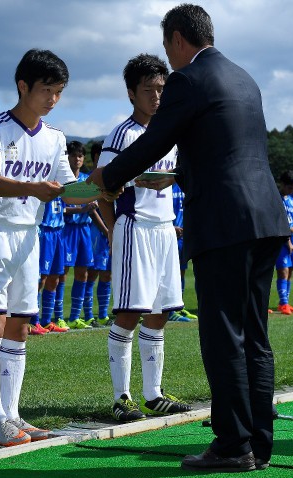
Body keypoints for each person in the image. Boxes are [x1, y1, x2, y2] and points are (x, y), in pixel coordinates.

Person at [88, 5, 290, 472]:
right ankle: (259, 442)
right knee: (255, 336)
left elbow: (154, 140)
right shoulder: (244, 78)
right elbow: (226, 150)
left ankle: (232, 445)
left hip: (224, 222)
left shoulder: (189, 80)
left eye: (167, 49)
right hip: (266, 218)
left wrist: (108, 176)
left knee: (222, 335)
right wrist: (179, 176)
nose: (168, 60)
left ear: (178, 39)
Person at [0, 48, 102, 447]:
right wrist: (33, 189)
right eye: (47, 90)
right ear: (23, 86)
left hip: (29, 238)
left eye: (59, 92)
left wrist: (109, 185)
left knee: (20, 327)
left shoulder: (55, 138)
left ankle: (14, 415)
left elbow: (70, 191)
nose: (53, 99)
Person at [97, 53, 192, 423]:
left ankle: (153, 394)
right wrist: (111, 232)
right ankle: (122, 397)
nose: (156, 96)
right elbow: (101, 184)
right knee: (129, 312)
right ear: (131, 94)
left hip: (165, 229)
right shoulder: (122, 135)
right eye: (148, 90)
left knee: (161, 312)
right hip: (134, 228)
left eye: (161, 89)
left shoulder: (172, 131)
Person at [62, 141, 100, 329]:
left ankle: (75, 317)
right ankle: (57, 316)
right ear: (67, 157)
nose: (77, 159)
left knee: (83, 273)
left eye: (80, 156)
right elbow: (60, 209)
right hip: (67, 231)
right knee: (61, 274)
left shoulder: (87, 179)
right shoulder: (63, 180)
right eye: (73, 155)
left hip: (84, 231)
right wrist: (82, 208)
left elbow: (91, 208)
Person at [29, 196, 70, 335]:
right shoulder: (43, 180)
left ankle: (46, 321)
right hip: (45, 231)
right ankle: (33, 321)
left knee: (55, 278)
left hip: (59, 231)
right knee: (41, 278)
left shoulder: (62, 182)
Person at [84, 141, 113, 326]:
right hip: (96, 233)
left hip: (109, 230)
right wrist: (107, 229)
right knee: (92, 273)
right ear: (96, 156)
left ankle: (103, 314)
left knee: (107, 274)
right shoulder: (90, 179)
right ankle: (87, 316)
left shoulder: (113, 177)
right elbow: (90, 209)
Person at [274, 170, 293, 315]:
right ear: (282, 184)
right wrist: (287, 238)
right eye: (289, 187)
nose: (291, 190)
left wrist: (291, 231)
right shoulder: (275, 199)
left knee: (290, 271)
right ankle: (283, 303)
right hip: (281, 241)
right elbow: (277, 221)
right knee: (283, 271)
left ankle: (284, 302)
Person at [169, 182, 196, 322]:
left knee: (181, 271)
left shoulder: (183, 185)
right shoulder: (164, 187)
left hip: (183, 236)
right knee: (169, 273)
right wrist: (171, 227)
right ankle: (170, 311)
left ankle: (178, 307)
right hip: (168, 233)